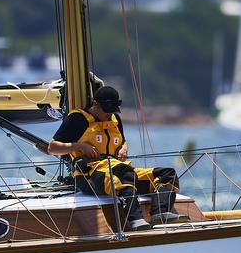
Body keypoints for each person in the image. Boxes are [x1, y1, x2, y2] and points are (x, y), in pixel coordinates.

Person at [39, 86, 183, 230]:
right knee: (124, 173)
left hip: (118, 169)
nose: (109, 115)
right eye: (106, 110)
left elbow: (122, 140)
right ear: (95, 104)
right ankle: (135, 220)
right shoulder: (77, 119)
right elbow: (53, 148)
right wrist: (80, 146)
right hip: (89, 174)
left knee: (167, 174)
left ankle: (160, 213)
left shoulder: (115, 119)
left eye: (112, 111)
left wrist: (124, 147)